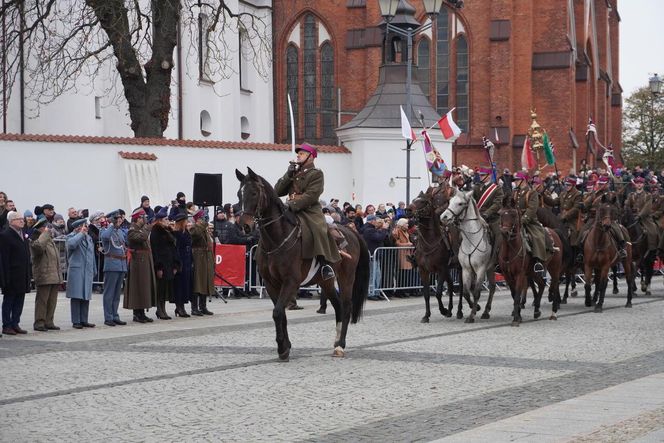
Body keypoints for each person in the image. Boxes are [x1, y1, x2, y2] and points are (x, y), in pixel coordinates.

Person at [274, 142, 340, 281]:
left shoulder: (316, 174)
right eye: (298, 153)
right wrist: (288, 174)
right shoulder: (294, 172)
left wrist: (292, 204)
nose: (298, 155)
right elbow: (277, 191)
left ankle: (324, 265)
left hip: (309, 210)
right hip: (289, 208)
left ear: (311, 157)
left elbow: (312, 195)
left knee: (318, 229)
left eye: (302, 153)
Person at [512, 172, 554, 270]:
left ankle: (537, 261)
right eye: (516, 180)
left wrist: (522, 220)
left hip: (529, 221)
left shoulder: (532, 193)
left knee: (537, 237)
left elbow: (532, 209)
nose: (516, 182)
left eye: (518, 180)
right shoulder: (514, 193)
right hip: (515, 221)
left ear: (523, 181)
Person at [0, 211, 31, 335]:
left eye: (22, 219)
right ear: (11, 221)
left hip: (22, 273)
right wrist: (5, 277)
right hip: (12, 274)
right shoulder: (5, 235)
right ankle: (6, 325)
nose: (22, 221)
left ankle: (15, 323)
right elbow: (5, 257)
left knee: (20, 299)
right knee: (9, 300)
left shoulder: (22, 234)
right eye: (18, 219)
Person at [30, 216, 62, 331]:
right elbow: (38, 248)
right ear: (41, 229)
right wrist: (45, 234)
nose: (48, 229)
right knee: (42, 301)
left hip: (53, 274)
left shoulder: (48, 239)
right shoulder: (36, 239)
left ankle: (49, 321)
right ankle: (39, 322)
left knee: (52, 301)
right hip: (44, 274)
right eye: (46, 227)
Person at [124, 208, 156, 323]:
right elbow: (141, 238)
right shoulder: (132, 229)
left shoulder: (141, 229)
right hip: (138, 262)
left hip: (144, 261)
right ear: (138, 218)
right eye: (144, 217)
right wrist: (148, 228)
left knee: (144, 287)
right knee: (138, 287)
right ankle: (137, 313)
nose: (145, 220)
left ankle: (142, 312)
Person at [151, 207, 182, 318]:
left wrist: (175, 264)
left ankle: (163, 309)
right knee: (160, 288)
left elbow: (173, 247)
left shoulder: (168, 230)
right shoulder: (156, 231)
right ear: (159, 220)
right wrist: (158, 267)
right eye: (165, 219)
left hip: (169, 263)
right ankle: (159, 309)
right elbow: (156, 250)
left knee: (165, 288)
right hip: (162, 263)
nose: (168, 221)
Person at [65, 218, 96, 329]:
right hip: (76, 270)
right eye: (84, 226)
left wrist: (94, 269)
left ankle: (84, 319)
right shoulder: (71, 237)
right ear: (78, 227)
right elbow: (71, 245)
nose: (86, 228)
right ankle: (76, 320)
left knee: (85, 295)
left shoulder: (88, 238)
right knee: (76, 296)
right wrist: (81, 234)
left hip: (87, 269)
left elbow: (91, 255)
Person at [100, 210, 128, 326]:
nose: (119, 220)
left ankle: (115, 315)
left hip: (120, 265)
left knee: (117, 293)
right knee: (109, 293)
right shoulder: (106, 231)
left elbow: (123, 244)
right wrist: (111, 224)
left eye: (120, 218)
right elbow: (105, 237)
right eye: (117, 218)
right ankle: (108, 317)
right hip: (111, 265)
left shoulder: (119, 232)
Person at [473, 167, 504, 255]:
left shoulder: (497, 189)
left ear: (489, 176)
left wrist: (487, 213)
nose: (481, 177)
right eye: (480, 175)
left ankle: (496, 258)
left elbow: (497, 204)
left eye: (483, 175)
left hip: (492, 218)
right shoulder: (476, 187)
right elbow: (471, 200)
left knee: (498, 234)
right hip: (477, 216)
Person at [190, 209, 215, 315]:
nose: (204, 220)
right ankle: (194, 308)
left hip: (206, 257)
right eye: (202, 218)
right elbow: (194, 234)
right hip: (198, 257)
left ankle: (203, 306)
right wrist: (202, 224)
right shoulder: (195, 227)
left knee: (205, 281)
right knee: (198, 282)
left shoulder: (203, 228)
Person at [625, 176, 659, 253]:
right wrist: (626, 208)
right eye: (637, 183)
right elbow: (627, 205)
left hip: (645, 218)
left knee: (653, 231)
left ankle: (652, 249)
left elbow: (647, 208)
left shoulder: (648, 195)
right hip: (632, 217)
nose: (639, 185)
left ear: (643, 184)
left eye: (641, 183)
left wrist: (640, 215)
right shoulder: (631, 195)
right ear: (635, 185)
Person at [171, 212, 192, 317]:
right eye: (186, 221)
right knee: (179, 285)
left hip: (187, 260)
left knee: (185, 285)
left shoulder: (186, 232)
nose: (187, 222)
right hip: (180, 261)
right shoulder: (176, 233)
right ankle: (178, 307)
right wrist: (176, 263)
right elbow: (176, 249)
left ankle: (182, 306)